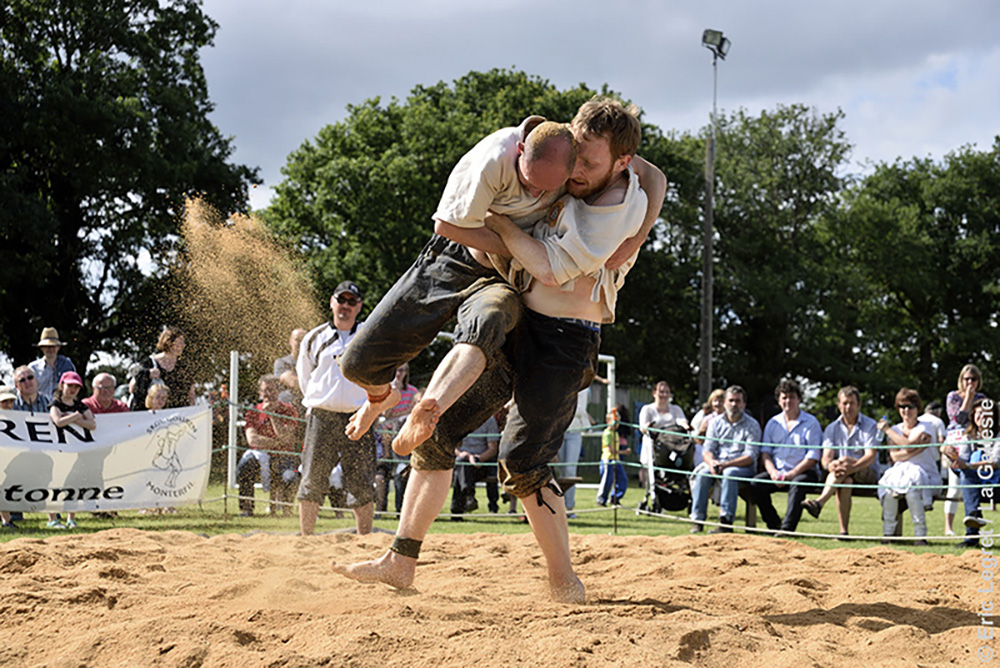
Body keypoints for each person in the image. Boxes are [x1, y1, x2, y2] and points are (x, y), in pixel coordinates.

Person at [333, 98, 665, 603]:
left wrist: (502, 224)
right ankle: (400, 561)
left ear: (620, 163)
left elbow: (552, 267)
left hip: (564, 339)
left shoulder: (621, 203)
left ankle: (564, 582)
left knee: (522, 461)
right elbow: (655, 170)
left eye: (589, 165)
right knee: (439, 436)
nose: (575, 172)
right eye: (574, 157)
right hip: (524, 322)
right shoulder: (582, 164)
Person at [295, 281, 377, 536]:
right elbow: (305, 377)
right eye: (341, 300)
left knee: (361, 480)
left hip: (359, 416)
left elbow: (382, 372)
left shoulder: (369, 336)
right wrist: (318, 401)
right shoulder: (314, 338)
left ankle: (365, 539)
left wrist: (371, 408)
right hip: (323, 415)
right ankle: (306, 538)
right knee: (312, 477)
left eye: (352, 302)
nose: (345, 306)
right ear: (332, 302)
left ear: (359, 306)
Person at [801, 386, 881, 538]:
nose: (848, 407)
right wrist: (829, 465)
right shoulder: (832, 428)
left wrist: (850, 466)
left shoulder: (870, 425)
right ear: (839, 405)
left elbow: (870, 457)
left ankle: (819, 502)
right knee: (845, 479)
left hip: (867, 474)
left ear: (859, 405)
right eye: (845, 403)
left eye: (851, 403)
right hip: (843, 476)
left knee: (843, 461)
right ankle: (843, 532)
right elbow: (826, 457)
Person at [749, 379, 822, 534]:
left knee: (797, 484)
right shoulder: (773, 423)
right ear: (779, 401)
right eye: (784, 397)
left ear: (799, 399)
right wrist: (773, 472)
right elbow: (766, 452)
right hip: (778, 471)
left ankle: (787, 530)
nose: (788, 401)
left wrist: (792, 474)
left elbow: (813, 455)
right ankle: (774, 524)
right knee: (756, 484)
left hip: (804, 472)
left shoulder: (811, 422)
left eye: (792, 397)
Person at [690, 386, 761, 534]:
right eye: (731, 401)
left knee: (729, 473)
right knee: (702, 473)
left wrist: (725, 465)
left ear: (744, 404)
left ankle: (726, 522)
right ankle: (697, 520)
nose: (734, 404)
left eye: (738, 401)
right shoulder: (715, 423)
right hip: (718, 464)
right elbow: (707, 449)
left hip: (742, 468)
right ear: (725, 403)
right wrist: (712, 463)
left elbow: (750, 457)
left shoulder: (752, 425)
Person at [877, 388, 937, 546]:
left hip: (926, 477)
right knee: (889, 490)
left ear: (917, 408)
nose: (906, 410)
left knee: (912, 488)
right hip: (899, 476)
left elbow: (907, 446)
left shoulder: (926, 426)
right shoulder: (896, 429)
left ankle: (920, 535)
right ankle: (888, 534)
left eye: (910, 406)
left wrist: (888, 431)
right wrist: (915, 449)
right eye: (902, 406)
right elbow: (894, 456)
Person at [238, 375, 300, 517]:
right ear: (260, 393)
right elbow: (253, 440)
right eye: (265, 390)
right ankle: (246, 509)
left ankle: (287, 511)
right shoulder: (253, 411)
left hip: (284, 457)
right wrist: (277, 443)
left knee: (291, 477)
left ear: (279, 391)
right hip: (261, 456)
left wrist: (272, 415)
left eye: (272, 390)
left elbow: (287, 437)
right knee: (245, 465)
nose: (268, 394)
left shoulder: (289, 411)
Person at [942, 397, 999, 547]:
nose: (983, 417)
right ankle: (973, 521)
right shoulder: (968, 436)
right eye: (979, 413)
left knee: (966, 474)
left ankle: (972, 533)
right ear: (973, 416)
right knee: (965, 474)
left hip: (995, 485)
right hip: (975, 484)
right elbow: (964, 461)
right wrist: (952, 455)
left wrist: (966, 465)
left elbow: (995, 462)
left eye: (987, 414)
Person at [48, 371, 96, 529]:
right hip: (58, 449)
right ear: (62, 385)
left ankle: (71, 518)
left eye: (76, 386)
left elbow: (92, 424)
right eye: (70, 385)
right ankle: (52, 519)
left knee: (73, 483)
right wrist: (76, 417)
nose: (73, 389)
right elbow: (58, 421)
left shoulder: (80, 406)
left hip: (75, 450)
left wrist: (75, 418)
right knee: (55, 483)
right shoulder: (55, 403)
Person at [943, 364, 985, 536]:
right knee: (954, 487)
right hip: (955, 441)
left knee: (972, 483)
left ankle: (975, 524)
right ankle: (948, 527)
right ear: (961, 379)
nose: (970, 382)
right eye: (966, 379)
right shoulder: (953, 396)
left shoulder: (982, 398)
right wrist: (968, 397)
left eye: (973, 379)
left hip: (973, 442)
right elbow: (958, 419)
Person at [639, 381, 691, 488]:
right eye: (661, 392)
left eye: (667, 392)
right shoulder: (647, 409)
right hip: (655, 443)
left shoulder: (675, 409)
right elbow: (642, 427)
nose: (664, 395)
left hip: (673, 443)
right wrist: (647, 427)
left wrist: (686, 426)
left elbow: (681, 420)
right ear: (654, 393)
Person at [129, 326, 196, 410]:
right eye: (180, 342)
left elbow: (191, 395)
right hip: (153, 418)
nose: (183, 345)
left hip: (178, 417)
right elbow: (132, 388)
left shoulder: (184, 367)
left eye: (183, 343)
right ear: (168, 342)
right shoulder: (150, 363)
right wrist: (147, 375)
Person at [450, 414, 500, 519]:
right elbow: (452, 445)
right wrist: (466, 456)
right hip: (462, 460)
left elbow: (493, 448)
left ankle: (458, 508)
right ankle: (468, 495)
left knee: (461, 468)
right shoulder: (458, 419)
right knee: (462, 463)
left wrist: (478, 459)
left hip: (482, 463)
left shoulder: (489, 420)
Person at [557, 388, 591, 517]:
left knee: (570, 470)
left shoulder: (583, 389)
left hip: (575, 431)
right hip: (558, 431)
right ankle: (559, 507)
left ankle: (569, 507)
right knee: (559, 471)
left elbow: (580, 410)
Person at [29, 327, 77, 399]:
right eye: (47, 346)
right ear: (42, 348)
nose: (51, 349)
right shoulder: (33, 368)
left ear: (59, 347)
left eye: (54, 346)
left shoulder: (68, 365)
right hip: (40, 408)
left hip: (62, 407)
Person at [597, 409, 630, 506]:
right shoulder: (607, 433)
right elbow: (610, 450)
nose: (616, 424)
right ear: (608, 421)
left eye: (618, 422)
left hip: (616, 459)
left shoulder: (616, 433)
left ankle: (615, 498)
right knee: (607, 480)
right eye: (614, 421)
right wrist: (624, 452)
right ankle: (601, 499)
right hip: (608, 460)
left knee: (623, 479)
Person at [690, 388, 725, 468]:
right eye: (715, 401)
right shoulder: (708, 419)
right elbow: (699, 438)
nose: (718, 404)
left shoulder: (729, 418)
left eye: (721, 401)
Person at [274, 328, 307, 413]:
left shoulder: (314, 363)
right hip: (287, 410)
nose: (300, 343)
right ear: (290, 341)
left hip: (308, 410)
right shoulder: (282, 363)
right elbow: (292, 382)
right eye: (297, 340)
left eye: (303, 340)